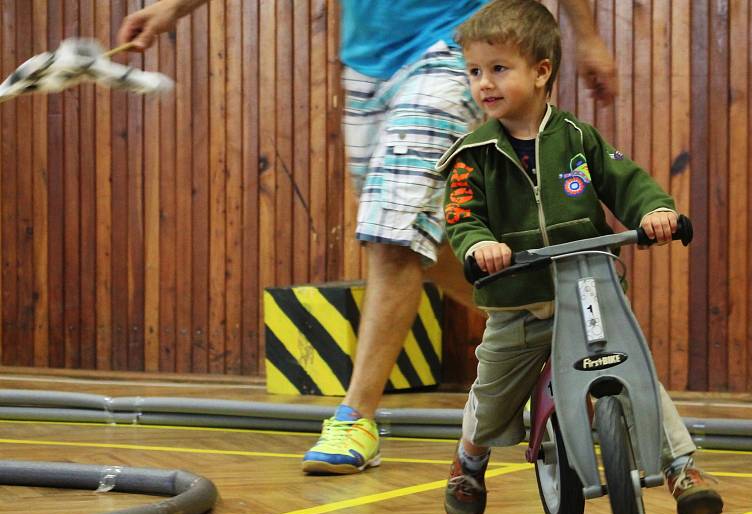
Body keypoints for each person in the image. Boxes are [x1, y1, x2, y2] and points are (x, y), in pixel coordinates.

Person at [117, 0, 618, 476]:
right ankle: (540, 318)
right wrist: (169, 9)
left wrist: (590, 38)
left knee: (393, 235)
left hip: (456, 45)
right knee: (419, 239)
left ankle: (354, 419)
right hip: (367, 65)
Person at [437, 0, 723, 514]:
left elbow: (626, 181)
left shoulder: (578, 140)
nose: (484, 83)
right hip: (517, 300)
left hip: (590, 291)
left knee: (635, 371)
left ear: (541, 71)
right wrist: (479, 247)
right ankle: (470, 460)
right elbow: (462, 217)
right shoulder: (473, 154)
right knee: (494, 392)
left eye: (499, 68)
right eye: (475, 71)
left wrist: (655, 211)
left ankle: (682, 467)